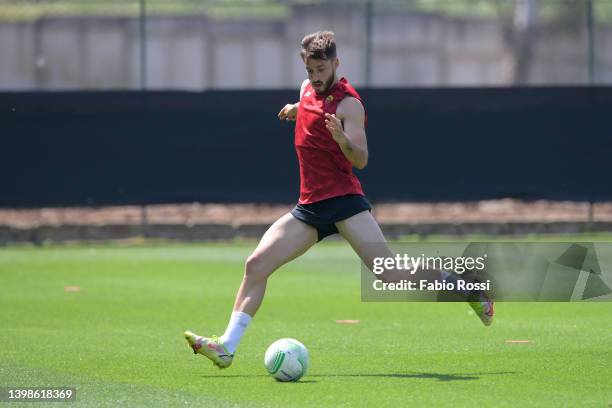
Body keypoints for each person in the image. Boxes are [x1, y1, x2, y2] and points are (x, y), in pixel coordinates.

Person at [184, 30, 493, 369]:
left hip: (345, 202)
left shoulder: (350, 104)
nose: (316, 78)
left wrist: (342, 138)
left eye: (321, 71)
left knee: (388, 274)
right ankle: (227, 346)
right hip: (310, 207)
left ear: (335, 64)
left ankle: (464, 286)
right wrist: (295, 108)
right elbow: (312, 104)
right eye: (310, 71)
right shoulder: (307, 90)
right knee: (255, 265)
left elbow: (360, 159)